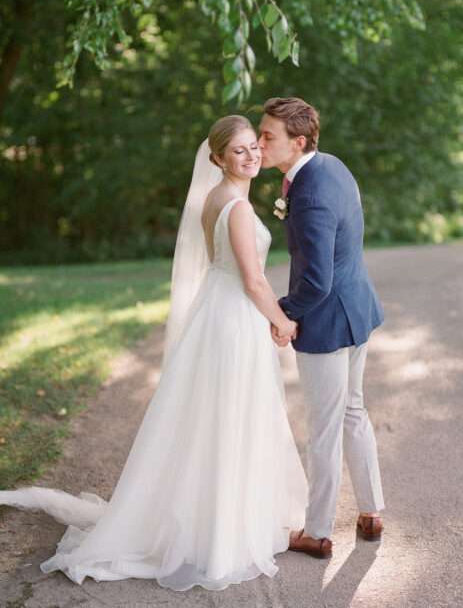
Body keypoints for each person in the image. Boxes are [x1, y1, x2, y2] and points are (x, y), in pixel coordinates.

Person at [0, 115, 308, 591]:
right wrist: (283, 322)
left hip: (217, 314)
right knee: (232, 417)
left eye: (254, 147)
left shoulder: (214, 199)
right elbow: (254, 280)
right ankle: (220, 536)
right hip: (234, 319)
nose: (251, 156)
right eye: (239, 151)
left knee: (216, 418)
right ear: (218, 159)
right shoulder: (240, 209)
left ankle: (213, 521)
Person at [259, 97, 385, 559]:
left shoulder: (308, 194)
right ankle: (371, 512)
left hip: (328, 322)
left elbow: (315, 280)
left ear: (298, 141)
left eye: (268, 136)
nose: (259, 142)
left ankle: (316, 531)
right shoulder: (331, 166)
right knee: (353, 411)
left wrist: (286, 313)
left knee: (325, 428)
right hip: (357, 310)